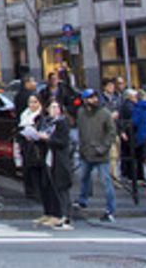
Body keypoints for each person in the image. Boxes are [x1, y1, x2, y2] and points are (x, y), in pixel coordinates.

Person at [74, 89, 117, 221]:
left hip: (100, 153)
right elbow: (81, 131)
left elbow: (111, 132)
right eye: (90, 98)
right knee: (84, 178)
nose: (94, 100)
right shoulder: (81, 112)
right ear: (85, 100)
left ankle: (110, 209)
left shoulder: (104, 113)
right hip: (86, 151)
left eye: (95, 97)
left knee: (106, 181)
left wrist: (104, 147)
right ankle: (83, 200)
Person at [39, 99, 75, 229]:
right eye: (52, 107)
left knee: (62, 189)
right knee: (52, 187)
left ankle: (64, 216)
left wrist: (48, 138)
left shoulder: (61, 123)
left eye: (57, 107)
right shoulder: (48, 123)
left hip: (60, 160)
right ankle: (55, 214)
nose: (55, 110)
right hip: (50, 158)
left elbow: (63, 142)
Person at [17, 93, 45, 205]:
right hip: (26, 146)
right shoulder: (25, 115)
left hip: (37, 147)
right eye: (30, 102)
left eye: (35, 102)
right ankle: (30, 192)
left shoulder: (41, 116)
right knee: (27, 169)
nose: (32, 105)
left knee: (37, 170)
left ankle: (38, 193)